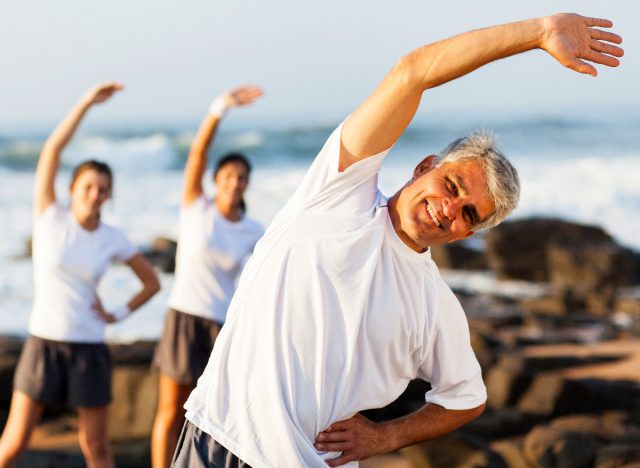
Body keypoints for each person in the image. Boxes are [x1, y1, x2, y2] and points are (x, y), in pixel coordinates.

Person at [173, 13, 624, 468]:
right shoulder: (336, 193)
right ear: (425, 166)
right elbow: (413, 72)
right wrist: (537, 32)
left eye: (469, 213)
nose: (450, 209)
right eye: (452, 185)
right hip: (221, 441)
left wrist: (386, 436)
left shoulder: (434, 305)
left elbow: (467, 398)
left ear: (469, 233)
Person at [0, 83, 161, 468]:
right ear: (73, 189)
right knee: (15, 441)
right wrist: (86, 102)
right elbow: (52, 150)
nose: (94, 194)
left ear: (109, 196)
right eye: (88, 186)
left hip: (89, 347)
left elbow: (151, 282)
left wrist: (117, 314)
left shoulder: (112, 238)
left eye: (103, 189)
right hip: (44, 343)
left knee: (97, 448)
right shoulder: (50, 218)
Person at [151, 85, 265, 468]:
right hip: (183, 316)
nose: (235, 183)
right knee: (170, 408)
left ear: (247, 184)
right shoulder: (195, 207)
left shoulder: (252, 229)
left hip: (221, 326)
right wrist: (220, 108)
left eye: (242, 178)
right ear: (217, 179)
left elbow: (271, 272)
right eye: (230, 175)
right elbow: (198, 153)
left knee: (212, 413)